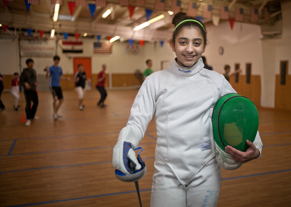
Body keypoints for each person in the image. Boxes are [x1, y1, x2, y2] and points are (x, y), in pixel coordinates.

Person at [112, 12, 263, 207]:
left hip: (205, 172)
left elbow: (240, 114)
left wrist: (256, 148)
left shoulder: (217, 81)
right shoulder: (155, 81)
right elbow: (137, 121)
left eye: (197, 43)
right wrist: (125, 144)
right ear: (172, 44)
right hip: (166, 173)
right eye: (183, 42)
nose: (190, 49)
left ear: (204, 46)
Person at [46, 55, 70, 120]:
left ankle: (55, 113)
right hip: (52, 86)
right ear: (54, 60)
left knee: (61, 100)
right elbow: (47, 76)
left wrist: (66, 78)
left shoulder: (59, 68)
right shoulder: (51, 68)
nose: (57, 61)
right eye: (56, 60)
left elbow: (60, 77)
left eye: (58, 60)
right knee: (55, 99)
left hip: (58, 85)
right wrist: (47, 71)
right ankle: (54, 113)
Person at [20, 59, 39, 126]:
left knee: (36, 103)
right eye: (30, 63)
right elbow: (20, 81)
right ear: (27, 64)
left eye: (32, 63)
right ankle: (28, 118)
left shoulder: (34, 71)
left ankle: (32, 115)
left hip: (34, 90)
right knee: (28, 104)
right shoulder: (24, 72)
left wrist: (35, 82)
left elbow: (35, 79)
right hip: (27, 91)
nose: (31, 64)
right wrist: (25, 83)